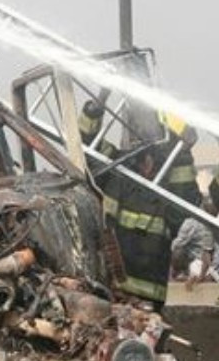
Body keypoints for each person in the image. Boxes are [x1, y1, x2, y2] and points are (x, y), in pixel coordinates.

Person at [84, 100, 203, 307]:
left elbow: (184, 215)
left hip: (147, 299)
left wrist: (183, 156)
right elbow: (85, 143)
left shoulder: (173, 188)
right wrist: (96, 106)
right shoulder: (119, 166)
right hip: (107, 289)